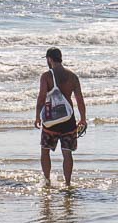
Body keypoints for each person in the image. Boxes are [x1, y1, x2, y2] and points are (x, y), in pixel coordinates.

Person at [34, 47, 86, 187]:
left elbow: (41, 98)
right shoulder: (72, 76)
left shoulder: (46, 76)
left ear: (49, 59)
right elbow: (80, 99)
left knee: (45, 150)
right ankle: (68, 183)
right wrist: (83, 118)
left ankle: (47, 181)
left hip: (51, 119)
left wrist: (37, 116)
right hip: (68, 118)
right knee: (67, 153)